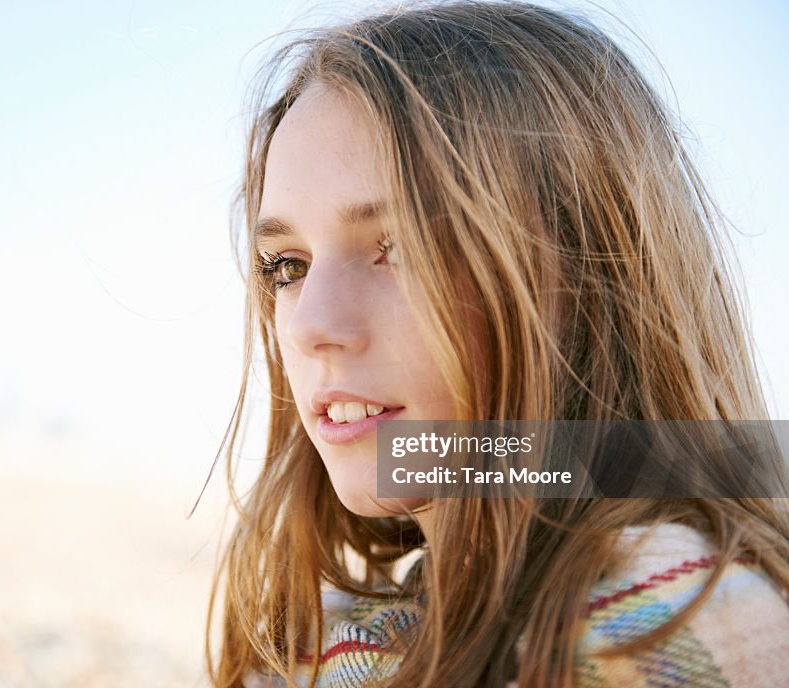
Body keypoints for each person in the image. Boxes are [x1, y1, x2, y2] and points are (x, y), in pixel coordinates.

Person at [206, 2, 789, 686]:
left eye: (408, 247)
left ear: (590, 269)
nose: (310, 325)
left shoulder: (659, 626)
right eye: (289, 267)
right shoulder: (334, 644)